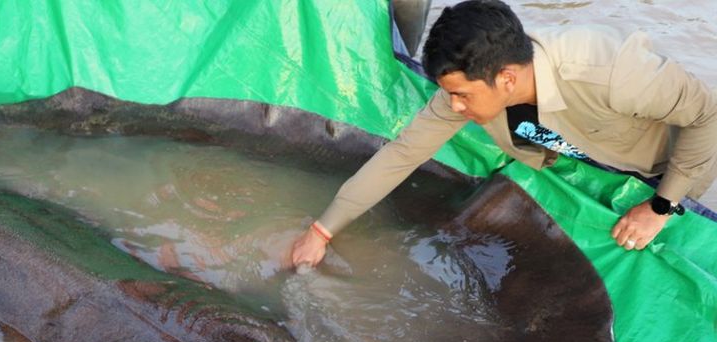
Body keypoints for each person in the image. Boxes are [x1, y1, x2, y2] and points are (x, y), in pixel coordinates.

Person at [291, 0, 717, 267]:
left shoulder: (611, 72)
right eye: (448, 94)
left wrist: (661, 206)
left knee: (663, 253)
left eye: (461, 96)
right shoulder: (470, 83)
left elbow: (708, 117)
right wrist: (322, 230)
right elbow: (402, 154)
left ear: (507, 79)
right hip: (585, 154)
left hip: (667, 166)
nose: (453, 107)